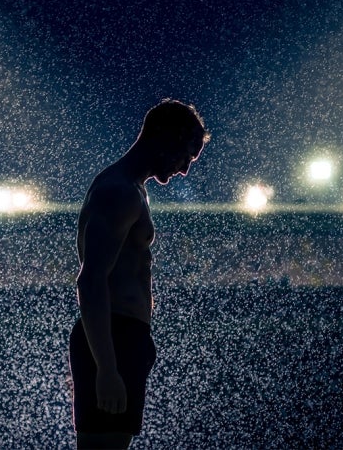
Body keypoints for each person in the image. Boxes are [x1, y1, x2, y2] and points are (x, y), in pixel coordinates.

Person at [69, 99, 209, 449]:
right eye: (186, 156)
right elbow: (90, 280)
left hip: (122, 338)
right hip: (112, 338)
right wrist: (106, 367)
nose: (184, 170)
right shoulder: (119, 191)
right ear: (165, 137)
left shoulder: (131, 189)